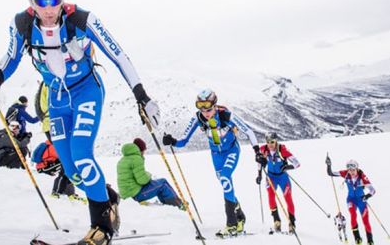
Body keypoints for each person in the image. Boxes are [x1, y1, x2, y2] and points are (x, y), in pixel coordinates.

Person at [0, 0, 159, 244]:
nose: (48, 8)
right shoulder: (21, 24)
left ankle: (103, 228)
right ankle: (107, 198)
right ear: (30, 0)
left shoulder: (82, 19)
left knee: (83, 156)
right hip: (58, 100)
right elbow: (11, 56)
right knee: (72, 170)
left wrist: (141, 95)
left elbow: (119, 55)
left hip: (87, 92)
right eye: (40, 0)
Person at [162, 89, 260, 237]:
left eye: (208, 109)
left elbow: (249, 131)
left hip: (231, 151)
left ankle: (231, 224)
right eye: (202, 109)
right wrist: (173, 141)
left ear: (215, 105)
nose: (206, 113)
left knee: (226, 177)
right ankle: (240, 217)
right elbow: (183, 141)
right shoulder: (198, 118)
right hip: (216, 155)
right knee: (226, 185)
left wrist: (257, 151)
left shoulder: (225, 115)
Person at [117, 138, 185, 209]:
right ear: (140, 150)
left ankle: (169, 204)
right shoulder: (136, 159)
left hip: (127, 194)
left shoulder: (123, 160)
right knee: (163, 183)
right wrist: (149, 176)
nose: (144, 152)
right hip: (135, 195)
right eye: (144, 150)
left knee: (158, 184)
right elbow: (142, 180)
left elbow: (134, 176)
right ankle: (177, 206)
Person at [255, 132, 300, 233]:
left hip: (283, 177)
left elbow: (297, 163)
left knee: (288, 198)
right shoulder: (263, 149)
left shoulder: (282, 150)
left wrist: (288, 167)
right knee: (271, 196)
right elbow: (259, 162)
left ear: (276, 141)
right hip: (270, 177)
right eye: (268, 142)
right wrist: (259, 175)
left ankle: (292, 223)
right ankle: (276, 220)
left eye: (272, 142)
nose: (270, 144)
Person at [326, 157, 376, 245]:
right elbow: (330, 173)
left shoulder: (362, 176)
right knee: (353, 215)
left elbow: (372, 190)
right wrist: (328, 165)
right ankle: (357, 238)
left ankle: (370, 240)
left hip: (361, 201)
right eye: (349, 170)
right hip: (351, 200)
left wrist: (367, 196)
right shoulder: (345, 174)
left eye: (353, 170)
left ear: (357, 168)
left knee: (365, 221)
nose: (351, 172)